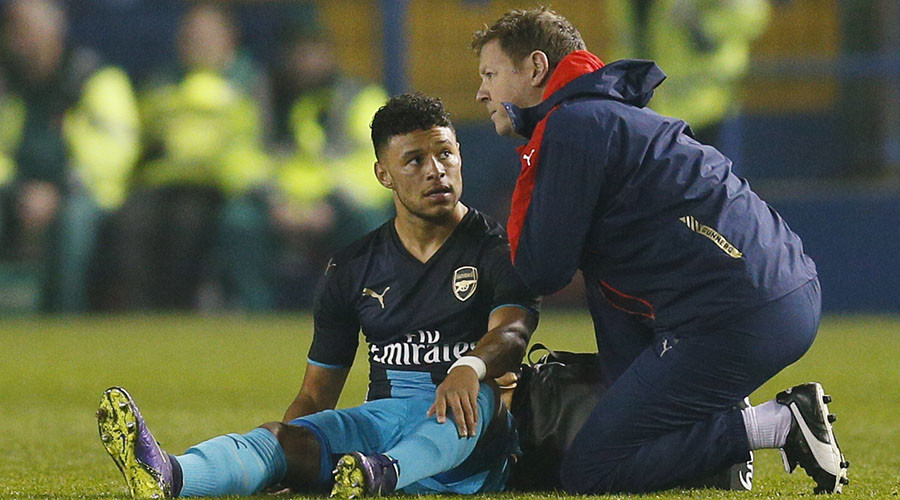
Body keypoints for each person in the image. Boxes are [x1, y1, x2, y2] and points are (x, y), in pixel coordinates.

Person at [471, 7, 848, 494]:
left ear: (537, 68)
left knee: (590, 469)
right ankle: (720, 449)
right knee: (618, 343)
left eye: (490, 74)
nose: (482, 92)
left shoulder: (572, 125)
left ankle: (778, 423)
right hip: (776, 294)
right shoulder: (607, 111)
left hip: (739, 316)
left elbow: (544, 267)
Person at [96, 93, 539, 498]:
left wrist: (469, 366)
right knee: (281, 440)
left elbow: (514, 331)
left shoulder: (496, 249)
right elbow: (315, 394)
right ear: (383, 174)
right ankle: (172, 475)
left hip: (471, 449)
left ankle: (382, 474)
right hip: (382, 426)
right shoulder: (352, 268)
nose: (436, 170)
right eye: (415, 160)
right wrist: (290, 463)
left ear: (460, 156)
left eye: (445, 154)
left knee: (473, 396)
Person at [110, 2, 272, 311]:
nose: (197, 42)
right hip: (163, 181)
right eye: (192, 35)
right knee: (130, 222)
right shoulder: (164, 81)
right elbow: (144, 134)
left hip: (219, 185)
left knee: (188, 224)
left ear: (229, 38)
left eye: (206, 35)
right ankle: (137, 312)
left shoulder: (250, 83)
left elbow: (253, 143)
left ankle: (179, 309)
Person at [0, 0, 139, 312]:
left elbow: (117, 151)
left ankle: (67, 319)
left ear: (56, 26)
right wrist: (18, 190)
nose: (21, 37)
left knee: (75, 221)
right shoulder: (7, 85)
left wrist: (60, 190)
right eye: (14, 27)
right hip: (19, 193)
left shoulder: (96, 77)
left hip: (85, 193)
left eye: (29, 27)